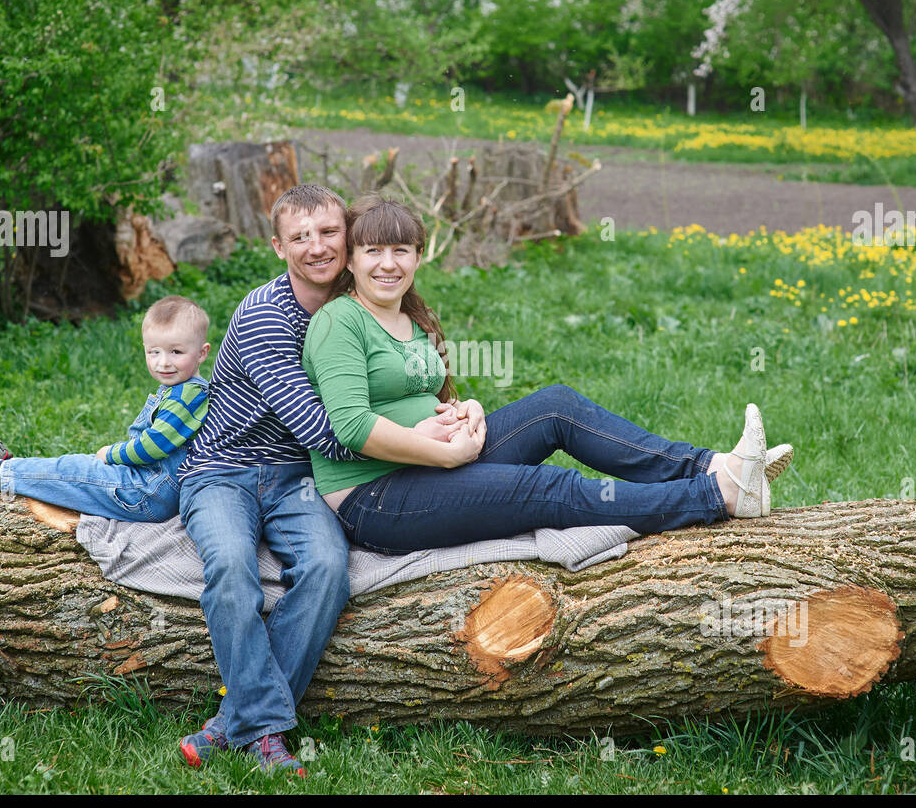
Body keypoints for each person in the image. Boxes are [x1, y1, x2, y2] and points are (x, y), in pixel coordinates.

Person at [301, 194, 794, 555]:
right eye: (373, 252)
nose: (389, 264)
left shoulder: (409, 315)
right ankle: (718, 495)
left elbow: (418, 394)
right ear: (353, 258)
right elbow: (352, 426)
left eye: (401, 251)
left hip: (434, 461)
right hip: (378, 499)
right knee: (547, 489)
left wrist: (465, 410)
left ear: (418, 256)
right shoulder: (338, 320)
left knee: (556, 406)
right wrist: (447, 453)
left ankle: (710, 465)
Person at [174, 184, 467, 774]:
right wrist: (422, 445)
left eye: (329, 232)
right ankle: (264, 732)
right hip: (223, 473)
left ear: (350, 238)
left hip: (297, 480)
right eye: (300, 236)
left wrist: (453, 413)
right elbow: (322, 424)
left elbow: (408, 382)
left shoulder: (359, 301)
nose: (317, 246)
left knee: (329, 568)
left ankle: (233, 725)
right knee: (231, 565)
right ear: (278, 246)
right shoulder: (265, 313)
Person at [0, 295, 211, 523]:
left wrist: (112, 454)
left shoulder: (187, 395)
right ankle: (7, 464)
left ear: (202, 353)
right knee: (76, 466)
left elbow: (154, 445)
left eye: (176, 352)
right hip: (144, 482)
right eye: (154, 352)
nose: (163, 362)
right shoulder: (179, 388)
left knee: (77, 472)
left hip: (147, 493)